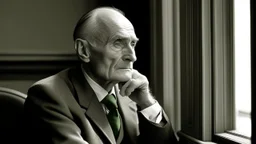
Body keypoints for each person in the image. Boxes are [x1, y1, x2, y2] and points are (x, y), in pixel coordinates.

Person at [23, 7, 178, 144]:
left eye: (132, 44)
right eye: (118, 43)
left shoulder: (130, 93)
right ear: (84, 50)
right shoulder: (48, 94)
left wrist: (148, 103)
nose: (132, 56)